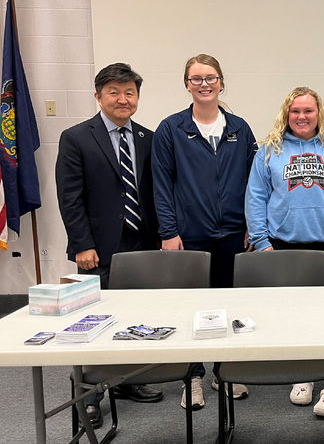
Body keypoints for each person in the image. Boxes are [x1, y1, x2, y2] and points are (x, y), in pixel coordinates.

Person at [55, 63, 163, 428]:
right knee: (97, 320)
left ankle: (128, 381)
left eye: (129, 92)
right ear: (98, 95)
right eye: (114, 92)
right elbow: (69, 197)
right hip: (98, 247)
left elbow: (155, 192)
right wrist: (81, 243)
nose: (122, 99)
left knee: (137, 317)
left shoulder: (148, 138)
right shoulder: (76, 137)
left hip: (142, 242)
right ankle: (89, 394)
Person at [152, 54, 256, 410]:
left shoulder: (239, 129)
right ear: (187, 84)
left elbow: (253, 184)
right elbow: (162, 185)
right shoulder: (171, 129)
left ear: (221, 83)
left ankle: (226, 369)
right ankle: (193, 375)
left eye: (210, 77)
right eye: (196, 78)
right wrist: (168, 231)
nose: (204, 84)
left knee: (229, 303)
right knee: (192, 307)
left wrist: (250, 226)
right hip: (188, 235)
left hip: (233, 234)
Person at [246, 86, 324, 418]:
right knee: (292, 320)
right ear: (286, 114)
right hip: (282, 247)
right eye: (296, 111)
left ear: (319, 113)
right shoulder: (267, 151)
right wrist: (262, 243)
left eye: (308, 111)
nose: (302, 117)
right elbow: (254, 200)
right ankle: (303, 378)